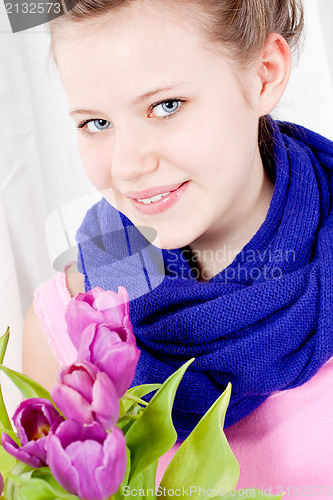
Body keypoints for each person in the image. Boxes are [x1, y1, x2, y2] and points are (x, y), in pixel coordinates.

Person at [23, 0, 333, 494]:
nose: (126, 166)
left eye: (165, 106)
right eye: (96, 123)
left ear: (264, 75)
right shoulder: (66, 323)